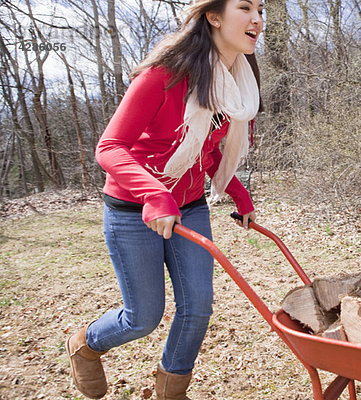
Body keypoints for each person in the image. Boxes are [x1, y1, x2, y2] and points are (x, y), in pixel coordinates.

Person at [65, 0, 264, 398]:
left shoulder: (236, 82)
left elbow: (205, 151)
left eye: (261, 8)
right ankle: (85, 344)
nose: (258, 19)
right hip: (133, 210)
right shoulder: (163, 76)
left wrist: (238, 193)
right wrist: (155, 195)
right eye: (245, 7)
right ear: (214, 16)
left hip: (189, 207)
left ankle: (171, 389)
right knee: (143, 317)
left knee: (198, 308)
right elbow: (110, 147)